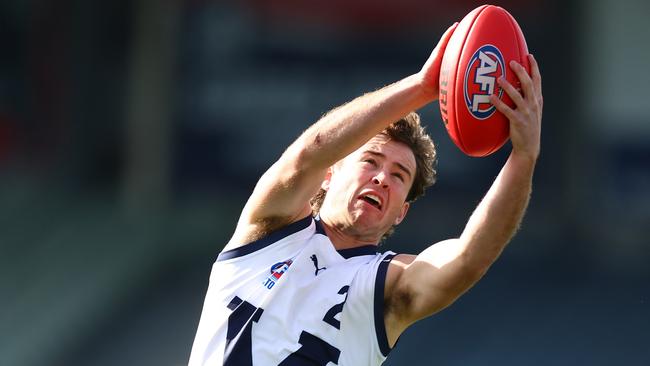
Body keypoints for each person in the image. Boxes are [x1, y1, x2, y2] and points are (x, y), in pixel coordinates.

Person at [188, 22, 543, 366]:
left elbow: (469, 258)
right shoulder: (267, 231)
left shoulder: (387, 286)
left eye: (399, 175)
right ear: (329, 174)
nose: (382, 178)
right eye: (371, 161)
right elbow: (308, 153)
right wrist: (422, 87)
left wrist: (523, 158)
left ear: (401, 213)